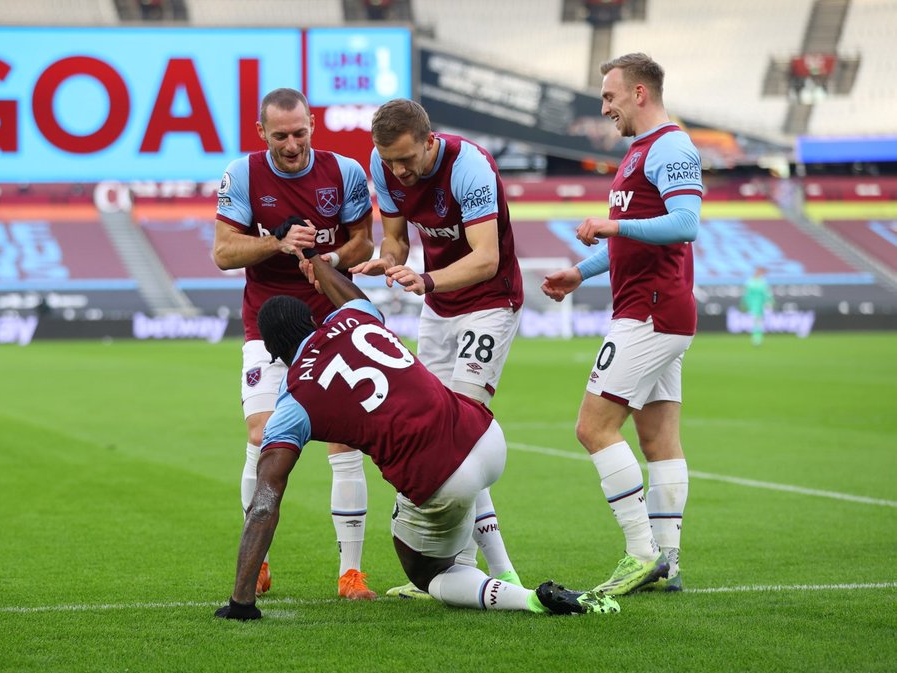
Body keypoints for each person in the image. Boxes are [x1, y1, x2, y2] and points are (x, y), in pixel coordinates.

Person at [215, 247, 620, 620]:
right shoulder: (356, 317)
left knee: (430, 574)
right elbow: (349, 294)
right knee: (455, 477)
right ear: (312, 320)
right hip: (486, 436)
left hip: (441, 478)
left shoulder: (293, 400)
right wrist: (318, 264)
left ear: (272, 353)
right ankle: (502, 570)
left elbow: (265, 504)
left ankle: (528, 598)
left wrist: (241, 601)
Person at [542, 53, 703, 595]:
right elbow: (633, 239)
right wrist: (580, 272)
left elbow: (685, 223)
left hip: (650, 311)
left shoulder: (671, 145)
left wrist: (611, 224)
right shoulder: (639, 152)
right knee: (658, 441)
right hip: (653, 308)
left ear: (639, 93)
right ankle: (669, 564)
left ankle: (640, 554)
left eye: (610, 97)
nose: (605, 108)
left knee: (593, 428)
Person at [351, 98, 525, 599]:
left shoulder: (470, 167)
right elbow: (396, 242)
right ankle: (460, 570)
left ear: (430, 141)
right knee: (435, 438)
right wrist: (385, 262)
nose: (399, 172)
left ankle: (495, 569)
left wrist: (425, 280)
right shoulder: (384, 166)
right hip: (439, 309)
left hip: (489, 303)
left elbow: (487, 259)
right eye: (390, 162)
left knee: (460, 436)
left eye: (407, 159)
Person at [213, 88, 376, 600]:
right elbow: (222, 252)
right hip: (266, 325)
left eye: (299, 132)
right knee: (262, 436)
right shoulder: (242, 175)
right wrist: (277, 242)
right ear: (262, 133)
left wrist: (327, 261)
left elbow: (364, 241)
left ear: (311, 126)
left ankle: (351, 573)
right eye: (280, 135)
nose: (291, 144)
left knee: (344, 440)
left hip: (331, 321)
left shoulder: (344, 171)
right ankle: (256, 562)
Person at [741, 267, 773, 345]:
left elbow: (767, 293)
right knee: (756, 319)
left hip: (760, 304)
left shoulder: (762, 281)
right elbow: (746, 293)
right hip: (752, 304)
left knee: (758, 320)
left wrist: (769, 301)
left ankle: (757, 337)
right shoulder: (750, 281)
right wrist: (744, 303)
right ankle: (756, 337)